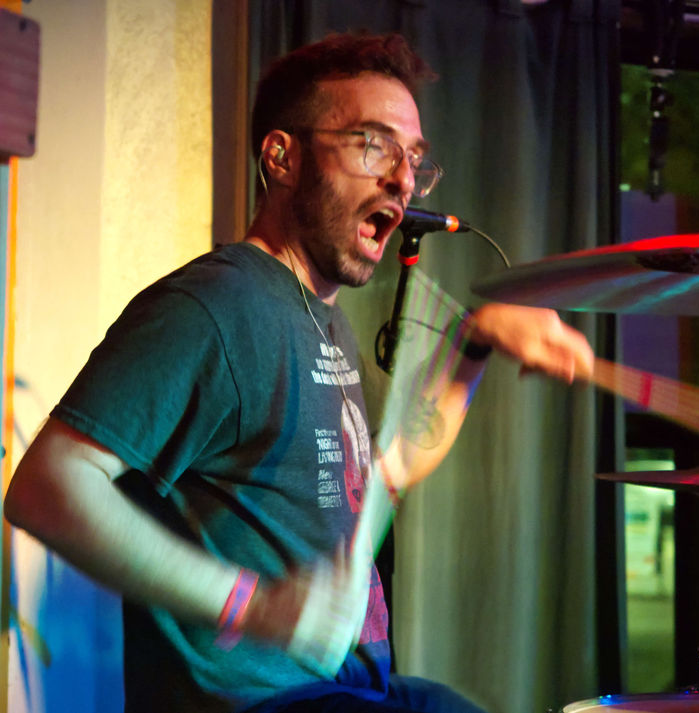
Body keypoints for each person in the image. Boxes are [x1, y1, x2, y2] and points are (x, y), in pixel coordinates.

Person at [4, 32, 593, 713]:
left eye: (413, 159)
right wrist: (250, 604)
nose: (403, 179)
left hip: (351, 689)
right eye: (373, 145)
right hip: (264, 703)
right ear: (282, 157)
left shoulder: (318, 317)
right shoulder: (213, 307)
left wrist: (474, 345)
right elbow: (45, 486)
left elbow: (387, 472)